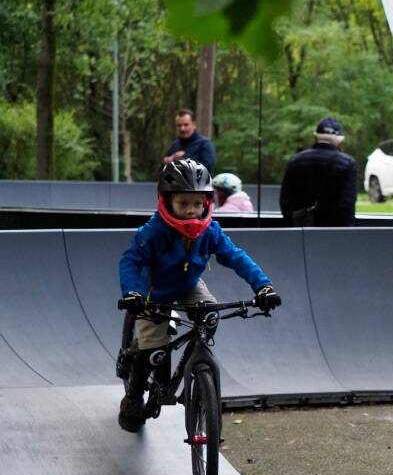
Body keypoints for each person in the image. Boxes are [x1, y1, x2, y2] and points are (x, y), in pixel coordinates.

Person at [117, 159, 281, 432]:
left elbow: (236, 257)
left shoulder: (210, 230)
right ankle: (133, 394)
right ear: (166, 201)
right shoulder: (154, 231)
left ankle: (197, 366)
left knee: (210, 315)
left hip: (189, 285)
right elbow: (130, 262)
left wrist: (262, 286)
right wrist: (133, 293)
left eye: (198, 204)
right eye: (183, 204)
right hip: (154, 291)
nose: (192, 211)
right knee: (153, 348)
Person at [279, 117, 358, 226]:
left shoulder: (295, 161)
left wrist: (292, 225)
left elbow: (285, 202)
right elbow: (347, 204)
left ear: (315, 136)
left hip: (300, 231)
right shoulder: (348, 164)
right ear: (340, 141)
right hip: (332, 233)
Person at [163, 109, 217, 174]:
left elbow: (208, 169)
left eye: (186, 125)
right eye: (179, 125)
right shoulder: (175, 145)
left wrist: (185, 159)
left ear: (194, 125)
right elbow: (163, 172)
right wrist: (166, 162)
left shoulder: (205, 144)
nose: (182, 128)